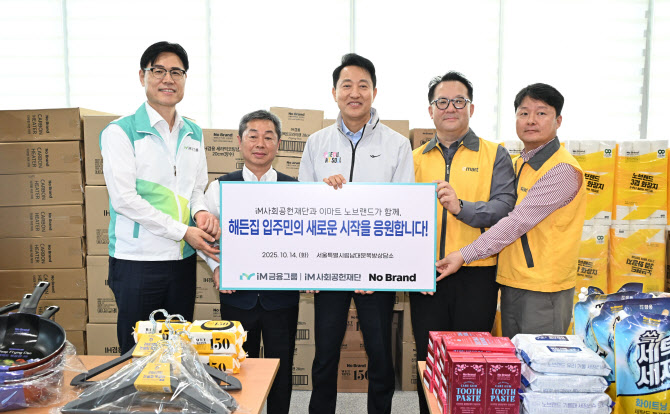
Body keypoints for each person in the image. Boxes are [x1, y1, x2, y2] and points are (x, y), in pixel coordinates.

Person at [298, 53, 414, 414]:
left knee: (380, 354)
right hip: (329, 267)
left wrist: (376, 265)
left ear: (374, 92)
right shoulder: (317, 143)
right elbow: (302, 208)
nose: (354, 92)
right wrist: (310, 266)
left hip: (376, 271)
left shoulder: (397, 144)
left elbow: (402, 211)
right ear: (334, 92)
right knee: (325, 354)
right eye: (346, 85)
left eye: (363, 85)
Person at [436, 83, 586, 339]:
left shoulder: (562, 169)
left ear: (558, 120)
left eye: (541, 113)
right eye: (524, 113)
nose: (531, 120)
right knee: (514, 360)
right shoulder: (517, 164)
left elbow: (517, 221)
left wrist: (464, 254)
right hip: (512, 282)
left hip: (543, 289)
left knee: (539, 361)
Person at [101, 41, 220, 354]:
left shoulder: (193, 131)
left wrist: (200, 213)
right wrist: (183, 231)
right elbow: (124, 199)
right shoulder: (120, 131)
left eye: (176, 72)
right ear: (143, 76)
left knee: (178, 351)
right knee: (137, 353)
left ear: (184, 79)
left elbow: (196, 188)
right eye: (159, 71)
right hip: (137, 261)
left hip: (181, 260)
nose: (168, 79)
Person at [410, 71, 515, 413]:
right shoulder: (414, 159)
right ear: (430, 110)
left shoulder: (494, 154)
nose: (450, 108)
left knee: (472, 363)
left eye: (459, 101)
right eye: (442, 101)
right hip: (426, 276)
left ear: (471, 108)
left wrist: (461, 208)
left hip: (476, 272)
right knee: (430, 362)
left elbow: (505, 208)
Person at [200, 110, 299, 414]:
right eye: (253, 136)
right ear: (239, 141)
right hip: (237, 295)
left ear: (278, 144)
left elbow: (306, 240)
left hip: (281, 297)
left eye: (268, 137)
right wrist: (217, 268)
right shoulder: (220, 187)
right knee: (238, 369)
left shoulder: (295, 188)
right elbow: (204, 235)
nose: (260, 143)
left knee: (281, 367)